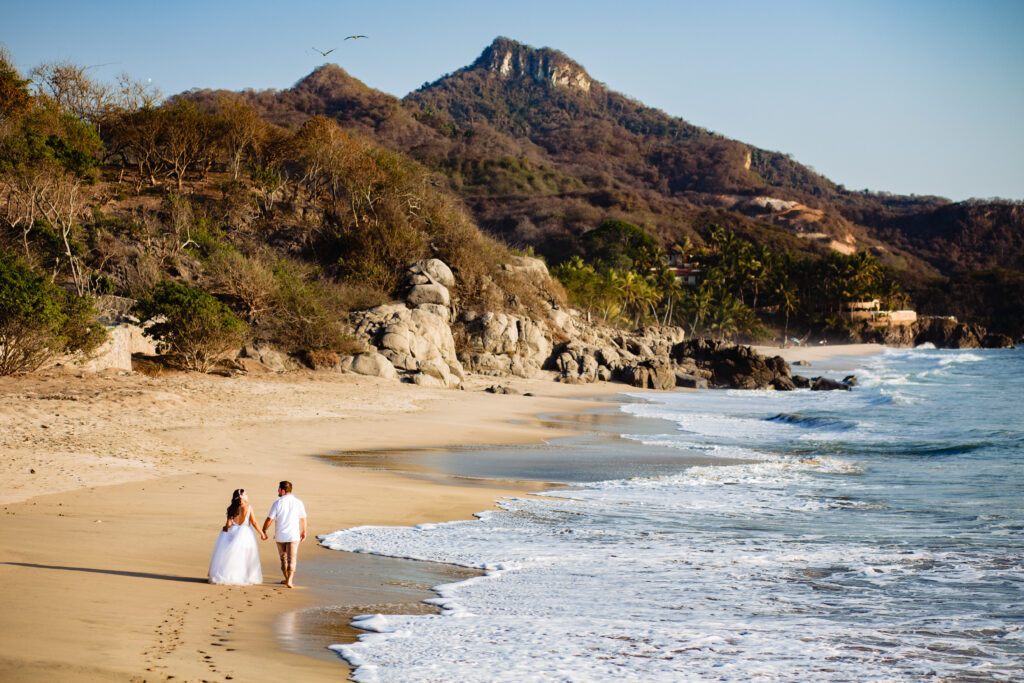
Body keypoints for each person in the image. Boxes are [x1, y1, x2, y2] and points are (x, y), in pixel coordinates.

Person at [208, 488, 266, 585]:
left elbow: (228, 525)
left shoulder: (231, 509)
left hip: (233, 533)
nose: (247, 496)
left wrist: (225, 528)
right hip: (246, 534)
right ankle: (247, 576)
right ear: (241, 497)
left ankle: (231, 575)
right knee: (247, 556)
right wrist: (262, 534)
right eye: (245, 494)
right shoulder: (248, 508)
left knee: (232, 556)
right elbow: (254, 523)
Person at [262, 481, 307, 588]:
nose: (277, 491)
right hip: (293, 535)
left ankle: (287, 579)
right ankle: (289, 580)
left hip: (280, 535)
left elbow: (270, 519)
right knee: (292, 559)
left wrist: (264, 530)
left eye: (278, 489)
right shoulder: (298, 502)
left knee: (283, 559)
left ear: (283, 490)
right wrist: (304, 531)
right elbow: (303, 518)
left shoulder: (277, 503)